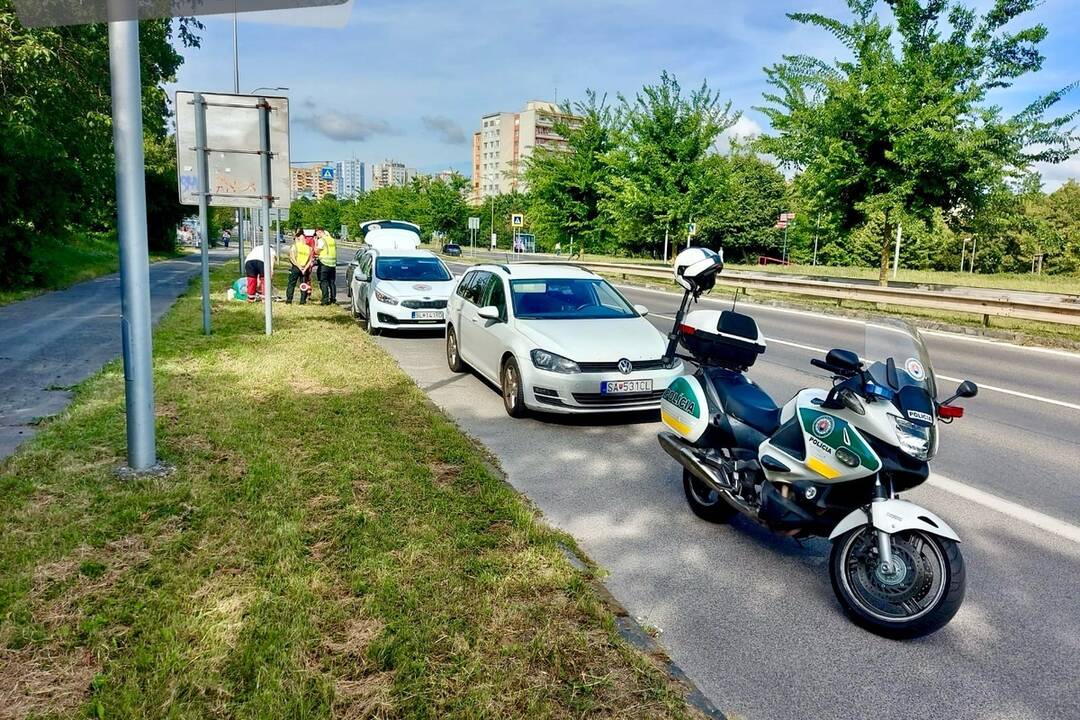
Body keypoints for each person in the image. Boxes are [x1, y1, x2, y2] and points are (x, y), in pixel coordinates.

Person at [286, 230, 314, 304]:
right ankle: (303, 301)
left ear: (297, 238)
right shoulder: (309, 248)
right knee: (304, 285)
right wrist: (304, 269)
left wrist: (299, 267)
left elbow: (292, 258)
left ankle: (289, 300)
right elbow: (310, 260)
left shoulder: (294, 246)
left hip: (296, 267)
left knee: (291, 284)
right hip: (305, 268)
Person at [315, 227, 338, 306]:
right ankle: (333, 299)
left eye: (317, 233)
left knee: (323, 282)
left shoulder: (321, 240)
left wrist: (315, 243)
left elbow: (317, 250)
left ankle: (325, 300)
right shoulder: (332, 239)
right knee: (332, 282)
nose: (317, 235)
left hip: (324, 263)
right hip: (332, 264)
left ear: (319, 232)